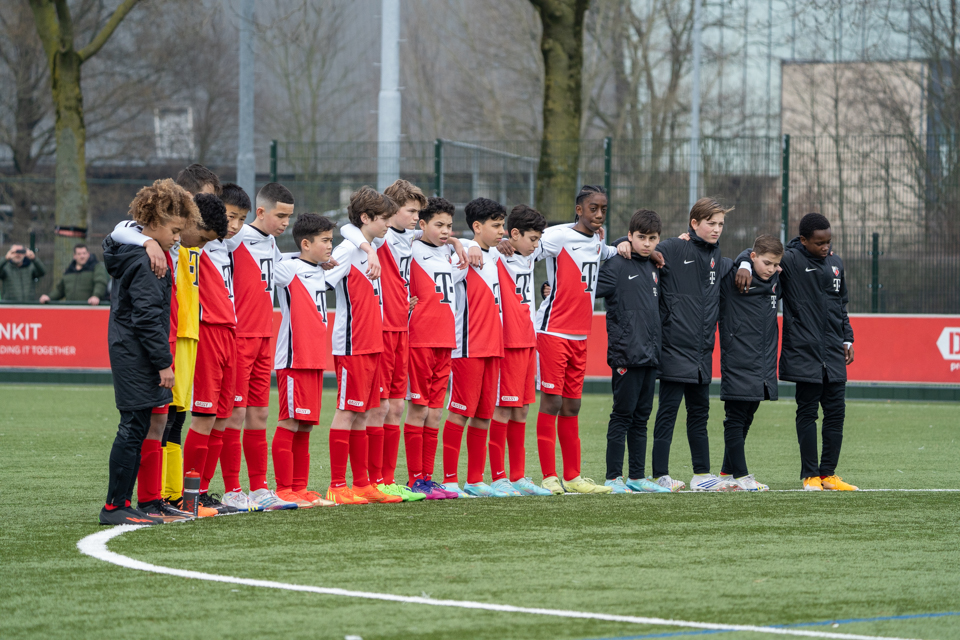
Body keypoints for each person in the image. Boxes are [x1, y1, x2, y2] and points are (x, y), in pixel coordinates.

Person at [98, 179, 199, 525]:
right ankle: (115, 506)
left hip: (132, 351)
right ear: (154, 222)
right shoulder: (146, 261)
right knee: (133, 427)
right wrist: (163, 363)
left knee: (139, 426)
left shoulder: (144, 251)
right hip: (136, 354)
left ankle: (132, 502)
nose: (177, 238)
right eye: (174, 230)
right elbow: (145, 319)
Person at [737, 213, 857, 491]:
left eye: (828, 242)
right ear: (803, 240)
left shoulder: (836, 263)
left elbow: (841, 306)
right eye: (819, 243)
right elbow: (753, 251)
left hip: (833, 354)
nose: (825, 247)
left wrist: (848, 339)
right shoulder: (790, 259)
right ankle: (810, 475)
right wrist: (744, 262)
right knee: (807, 413)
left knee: (836, 413)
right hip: (805, 352)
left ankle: (829, 475)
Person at [524, 185, 621, 495]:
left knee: (572, 406)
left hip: (581, 335)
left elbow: (611, 253)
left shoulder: (597, 239)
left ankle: (574, 476)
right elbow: (527, 254)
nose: (599, 214)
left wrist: (633, 248)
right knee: (551, 402)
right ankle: (549, 476)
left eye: (603, 209)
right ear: (579, 209)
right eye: (593, 208)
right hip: (553, 331)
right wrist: (541, 289)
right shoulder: (557, 236)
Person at [339, 179, 429, 502]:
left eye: (419, 212)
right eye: (410, 211)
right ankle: (372, 480)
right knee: (377, 408)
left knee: (396, 406)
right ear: (390, 213)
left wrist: (464, 244)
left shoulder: (407, 236)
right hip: (379, 330)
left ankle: (387, 480)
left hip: (401, 328)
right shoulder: (381, 235)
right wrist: (365, 248)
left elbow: (431, 233)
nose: (416, 218)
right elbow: (348, 230)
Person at [219, 182, 299, 513]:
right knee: (235, 413)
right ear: (262, 212)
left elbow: (281, 271)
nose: (284, 223)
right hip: (239, 337)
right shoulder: (235, 238)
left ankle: (260, 488)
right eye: (280, 215)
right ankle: (232, 490)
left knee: (260, 412)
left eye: (289, 217)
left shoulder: (270, 243)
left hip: (265, 336)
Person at [323, 186, 402, 505]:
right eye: (383, 218)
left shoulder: (372, 243)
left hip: (373, 343)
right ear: (366, 218)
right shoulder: (345, 252)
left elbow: (350, 228)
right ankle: (337, 485)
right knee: (346, 412)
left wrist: (368, 248)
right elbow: (320, 281)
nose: (389, 223)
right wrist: (365, 249)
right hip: (352, 343)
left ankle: (362, 484)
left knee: (366, 411)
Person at [649, 197, 734, 492]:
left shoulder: (716, 255)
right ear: (694, 223)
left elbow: (744, 260)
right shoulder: (673, 247)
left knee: (700, 413)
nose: (717, 229)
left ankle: (702, 475)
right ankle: (660, 474)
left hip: (701, 351)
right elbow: (639, 245)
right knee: (668, 412)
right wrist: (622, 242)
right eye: (711, 223)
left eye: (721, 224)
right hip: (674, 347)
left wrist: (747, 260)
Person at [440, 197, 513, 498]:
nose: (502, 231)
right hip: (468, 346)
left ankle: (474, 479)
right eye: (496, 226)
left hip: (493, 346)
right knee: (460, 412)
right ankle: (448, 480)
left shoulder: (495, 256)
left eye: (502, 225)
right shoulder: (462, 257)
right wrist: (464, 244)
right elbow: (432, 243)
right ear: (477, 227)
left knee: (484, 413)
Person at [597, 210, 672, 494]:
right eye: (641, 237)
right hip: (626, 354)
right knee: (622, 415)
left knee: (642, 418)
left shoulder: (655, 267)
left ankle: (637, 476)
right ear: (630, 236)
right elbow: (588, 287)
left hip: (651, 355)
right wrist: (549, 290)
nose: (647, 243)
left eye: (652, 238)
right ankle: (613, 477)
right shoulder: (617, 264)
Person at [271, 213, 338, 508]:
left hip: (314, 358)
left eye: (331, 241)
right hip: (293, 359)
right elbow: (268, 259)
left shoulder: (321, 271)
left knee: (306, 425)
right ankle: (284, 489)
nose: (330, 247)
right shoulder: (289, 269)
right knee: (289, 421)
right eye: (325, 241)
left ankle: (300, 489)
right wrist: (297, 252)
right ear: (307, 243)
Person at [404, 197, 467, 500]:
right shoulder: (411, 248)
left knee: (434, 413)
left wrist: (455, 242)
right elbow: (400, 234)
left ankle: (429, 478)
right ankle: (415, 478)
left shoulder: (450, 253)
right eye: (438, 225)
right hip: (420, 339)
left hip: (446, 341)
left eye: (449, 226)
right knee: (418, 409)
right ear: (422, 224)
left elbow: (473, 243)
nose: (445, 231)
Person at [489, 205, 553, 496]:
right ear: (513, 234)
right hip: (507, 342)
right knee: (504, 407)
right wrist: (496, 243)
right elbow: (468, 245)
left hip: (529, 340)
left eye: (539, 239)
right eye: (532, 238)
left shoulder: (529, 254)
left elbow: (564, 237)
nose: (536, 244)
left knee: (523, 408)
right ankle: (498, 476)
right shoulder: (495, 255)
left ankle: (517, 476)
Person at [717, 235, 783, 492]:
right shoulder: (734, 277)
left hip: (763, 362)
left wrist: (749, 261)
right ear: (754, 258)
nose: (771, 269)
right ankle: (742, 476)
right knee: (734, 418)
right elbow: (738, 255)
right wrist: (743, 263)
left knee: (747, 417)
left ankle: (726, 472)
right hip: (738, 359)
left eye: (776, 264)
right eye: (767, 263)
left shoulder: (776, 278)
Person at [40, 243, 108, 305]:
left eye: (84, 253)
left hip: (89, 308)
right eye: (79, 254)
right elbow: (60, 290)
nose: (82, 256)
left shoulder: (96, 267)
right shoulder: (69, 271)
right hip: (71, 310)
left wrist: (96, 296)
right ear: (74, 256)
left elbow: (100, 282)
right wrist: (49, 297)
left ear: (88, 254)